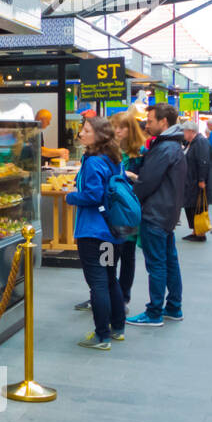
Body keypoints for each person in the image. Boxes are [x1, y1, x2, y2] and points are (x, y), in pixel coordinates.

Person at [74, 111, 145, 313]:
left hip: (116, 219)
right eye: (114, 126)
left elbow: (94, 195)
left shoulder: (102, 159)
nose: (117, 131)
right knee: (108, 272)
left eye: (121, 127)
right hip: (111, 222)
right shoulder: (110, 156)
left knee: (112, 268)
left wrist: (72, 197)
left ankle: (116, 307)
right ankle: (114, 313)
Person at [65, 116, 125, 349]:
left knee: (98, 283)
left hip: (93, 233)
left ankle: (102, 336)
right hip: (112, 231)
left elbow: (92, 195)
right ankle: (117, 328)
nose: (81, 134)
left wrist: (70, 196)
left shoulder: (92, 162)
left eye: (87, 130)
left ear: (99, 136)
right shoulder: (114, 159)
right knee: (110, 278)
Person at [125, 103, 186, 327]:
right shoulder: (172, 146)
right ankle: (173, 307)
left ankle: (154, 313)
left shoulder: (165, 148)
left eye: (150, 120)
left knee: (157, 264)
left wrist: (132, 195)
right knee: (169, 261)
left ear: (164, 122)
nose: (146, 124)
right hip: (167, 212)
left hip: (155, 213)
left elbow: (147, 182)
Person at [180, 120, 211, 242]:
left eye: (184, 131)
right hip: (190, 180)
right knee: (191, 205)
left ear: (191, 131)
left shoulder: (200, 142)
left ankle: (200, 233)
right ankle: (195, 231)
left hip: (196, 180)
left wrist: (202, 179)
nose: (183, 134)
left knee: (196, 206)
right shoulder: (191, 143)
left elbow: (203, 162)